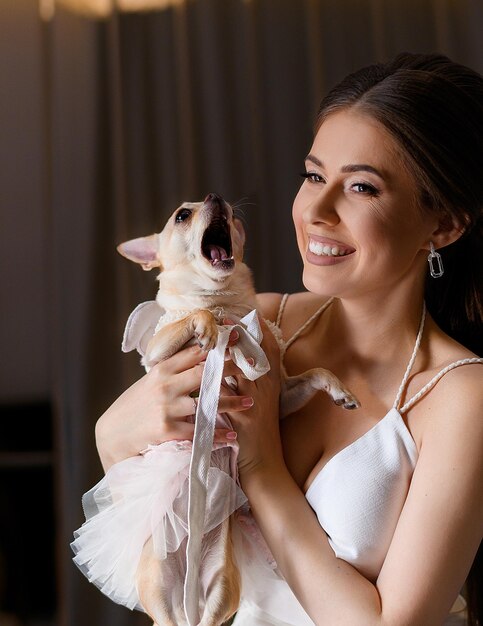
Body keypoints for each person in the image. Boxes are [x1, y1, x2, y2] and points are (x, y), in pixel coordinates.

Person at [95, 53, 483, 625]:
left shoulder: (461, 396)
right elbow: (155, 526)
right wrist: (117, 430)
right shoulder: (261, 324)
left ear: (444, 225)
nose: (317, 211)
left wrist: (261, 465)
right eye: (313, 176)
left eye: (361, 188)